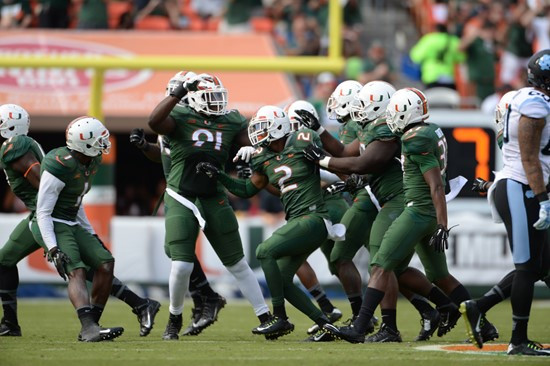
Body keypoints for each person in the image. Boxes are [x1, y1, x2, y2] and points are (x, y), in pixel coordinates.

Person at [317, 87, 491, 343]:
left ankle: (361, 325)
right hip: (425, 210)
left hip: (417, 209)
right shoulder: (427, 130)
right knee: (438, 275)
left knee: (380, 264)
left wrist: (443, 223)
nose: (390, 117)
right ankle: (481, 323)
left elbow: (435, 185)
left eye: (394, 112)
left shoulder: (414, 138)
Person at [0, 105, 160, 339]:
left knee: (89, 265)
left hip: (48, 215)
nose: (104, 144)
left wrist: (55, 237)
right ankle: (10, 323)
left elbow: (46, 187)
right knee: (8, 261)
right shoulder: (36, 148)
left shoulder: (15, 147)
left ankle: (95, 323)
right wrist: (53, 241)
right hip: (46, 217)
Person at [196, 105, 339, 341]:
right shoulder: (263, 158)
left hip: (314, 216)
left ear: (279, 126)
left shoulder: (303, 139)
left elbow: (326, 155)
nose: (258, 133)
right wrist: (219, 175)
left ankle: (280, 317)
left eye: (263, 127)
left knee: (264, 251)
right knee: (282, 281)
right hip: (298, 220)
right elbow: (246, 190)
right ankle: (326, 325)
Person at [147, 73, 270, 340]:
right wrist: (177, 93)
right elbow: (154, 121)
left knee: (238, 263)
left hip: (214, 196)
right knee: (180, 266)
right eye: (209, 97)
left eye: (218, 96)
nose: (216, 102)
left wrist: (254, 151)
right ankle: (174, 318)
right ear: (192, 98)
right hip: (182, 195)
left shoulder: (231, 120)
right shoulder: (179, 115)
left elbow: (258, 143)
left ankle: (266, 316)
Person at [461, 50, 550, 356]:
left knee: (543, 266)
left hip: (520, 186)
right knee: (527, 268)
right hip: (522, 188)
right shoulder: (535, 104)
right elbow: (527, 158)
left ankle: (479, 306)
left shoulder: (520, 98)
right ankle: (519, 341)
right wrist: (543, 199)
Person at [129, 70, 226, 336]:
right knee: (174, 249)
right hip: (178, 190)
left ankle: (204, 299)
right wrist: (145, 147)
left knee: (181, 250)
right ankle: (206, 296)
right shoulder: (174, 121)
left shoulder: (192, 121)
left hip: (196, 192)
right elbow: (164, 156)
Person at [27, 117, 122, 342]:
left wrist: (91, 233)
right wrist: (52, 247)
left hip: (72, 221)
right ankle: (88, 327)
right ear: (84, 143)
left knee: (106, 263)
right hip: (52, 222)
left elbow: (76, 201)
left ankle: (92, 325)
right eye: (99, 140)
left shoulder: (91, 160)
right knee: (76, 270)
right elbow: (43, 212)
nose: (103, 144)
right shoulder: (60, 163)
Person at [410, 23, 465, 90]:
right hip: (448, 77)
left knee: (432, 98)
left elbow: (415, 57)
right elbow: (462, 57)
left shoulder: (429, 40)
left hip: (431, 76)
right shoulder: (454, 41)